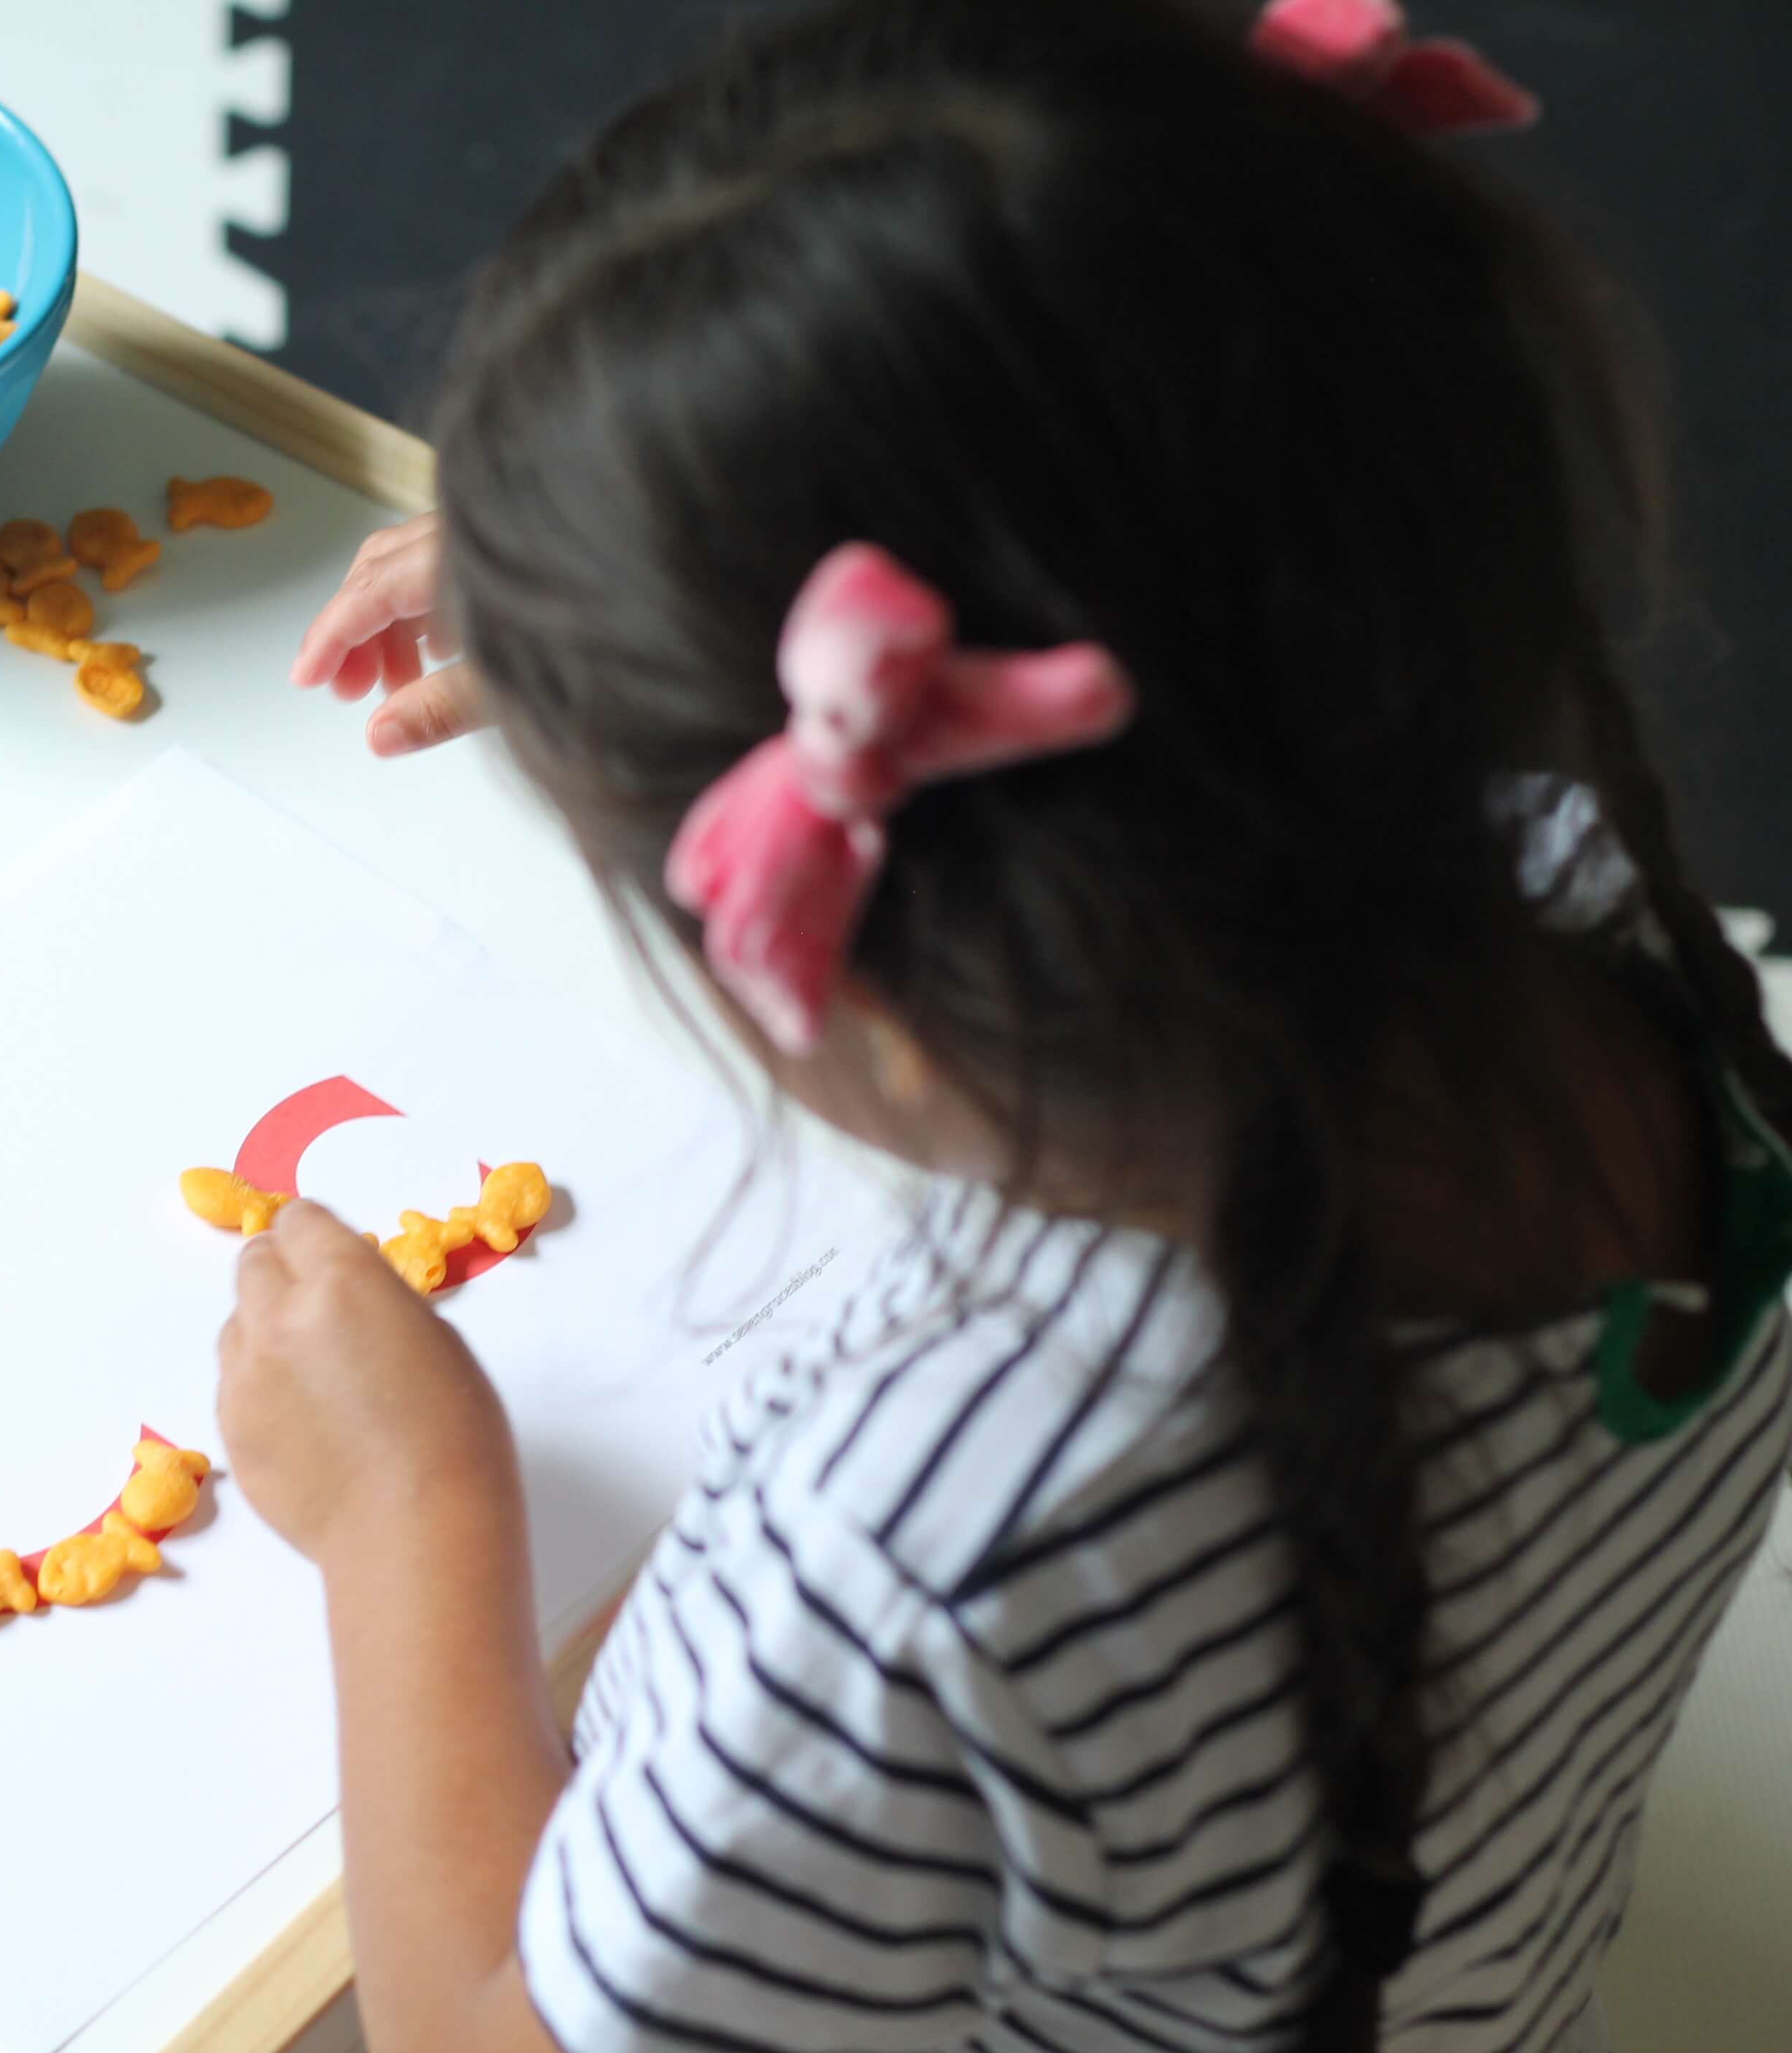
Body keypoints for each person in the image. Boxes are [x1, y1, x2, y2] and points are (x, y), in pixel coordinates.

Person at [210, 1, 1792, 2049]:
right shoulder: (1601, 939)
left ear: (844, 954)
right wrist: (620, 607)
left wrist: (407, 1518)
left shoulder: (942, 1538)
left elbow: (480, 2035)